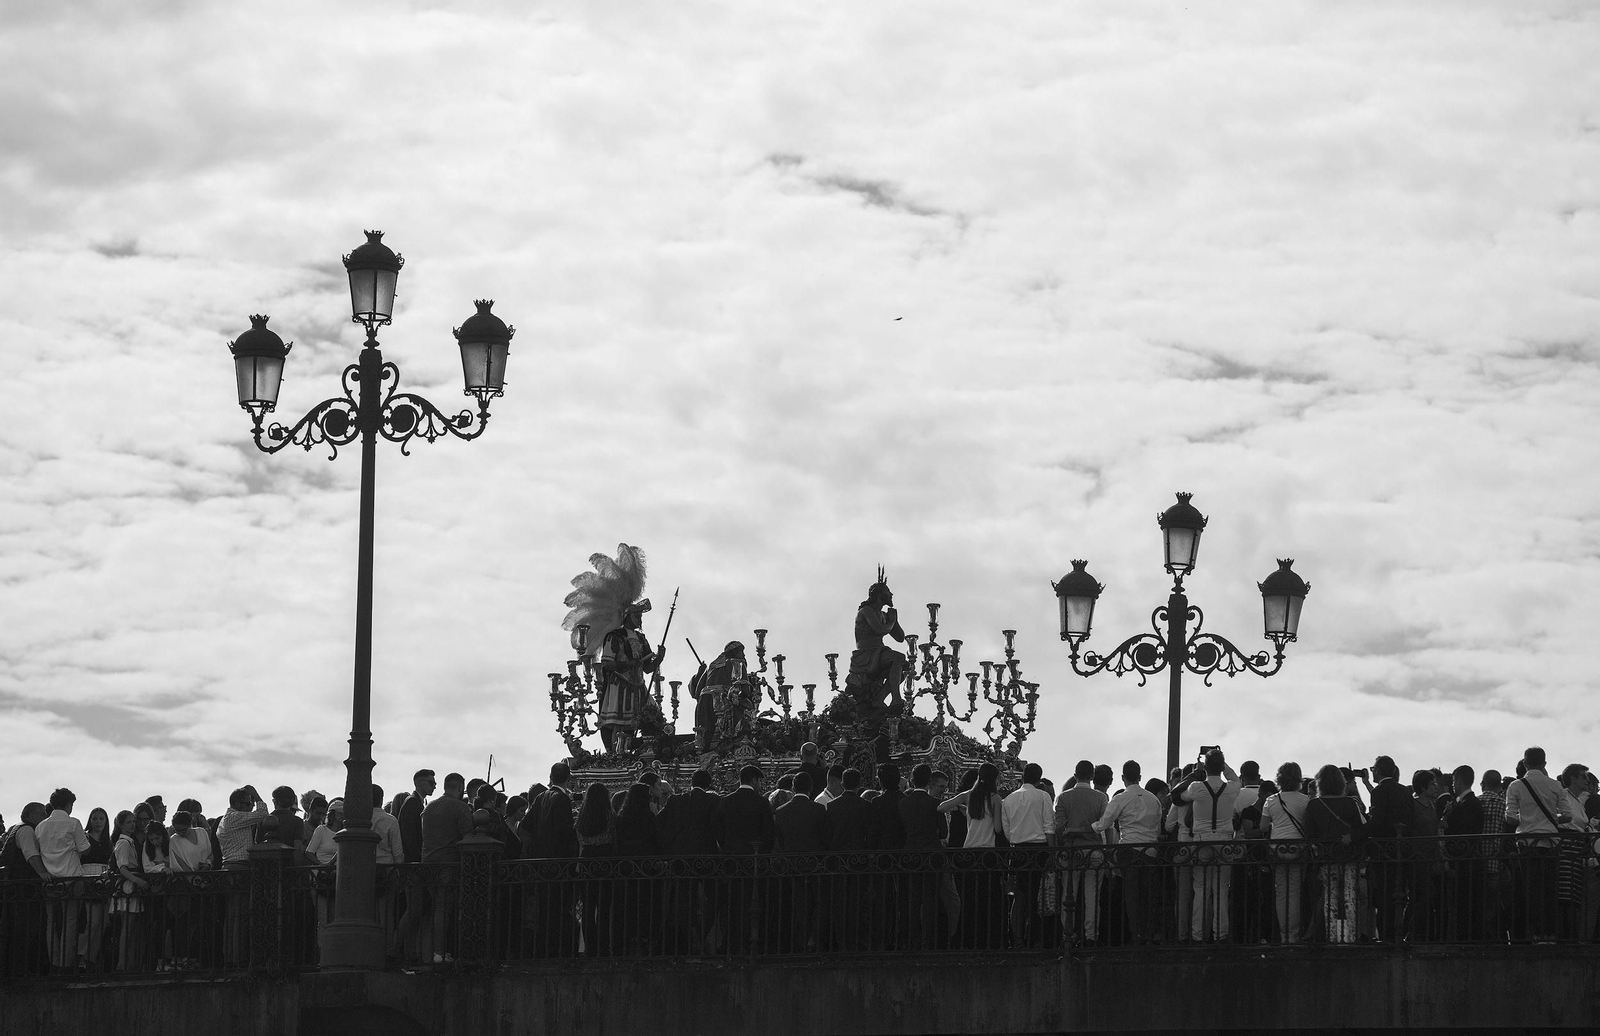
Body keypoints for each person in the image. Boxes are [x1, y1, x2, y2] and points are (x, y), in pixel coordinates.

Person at [1504, 746, 1574, 943]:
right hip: (1551, 842)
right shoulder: (1555, 785)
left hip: (1527, 843)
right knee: (1550, 890)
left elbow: (1510, 819)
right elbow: (1567, 816)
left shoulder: (1516, 786)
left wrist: (1526, 818)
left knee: (1531, 891)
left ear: (1525, 763)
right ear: (1544, 763)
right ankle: (1551, 933)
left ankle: (1535, 934)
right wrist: (1551, 818)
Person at [1093, 761, 1161, 944]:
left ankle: (1135, 934)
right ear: (1140, 776)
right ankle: (1148, 934)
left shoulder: (1121, 798)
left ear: (1123, 778)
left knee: (1131, 896)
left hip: (1129, 849)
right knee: (1147, 895)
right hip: (1150, 850)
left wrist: (1090, 826)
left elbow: (1104, 824)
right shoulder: (1153, 799)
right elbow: (1158, 826)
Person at [1178, 750, 1241, 945]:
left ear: (1205, 767)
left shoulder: (1197, 787)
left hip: (1201, 840)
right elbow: (1235, 778)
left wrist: (1195, 772)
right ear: (1222, 767)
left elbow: (1179, 795)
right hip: (1224, 841)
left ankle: (1198, 936)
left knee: (1200, 890)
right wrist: (1225, 765)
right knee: (1221, 890)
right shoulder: (1231, 788)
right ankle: (1220, 934)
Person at [845, 570, 907, 762]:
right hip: (866, 653)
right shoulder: (866, 611)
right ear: (879, 594)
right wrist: (890, 622)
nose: (892, 595)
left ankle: (880, 699)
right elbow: (880, 629)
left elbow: (900, 637)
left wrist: (893, 620)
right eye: (888, 592)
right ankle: (895, 698)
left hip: (878, 651)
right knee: (898, 658)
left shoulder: (882, 613)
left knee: (901, 667)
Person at [1304, 765, 1365, 943]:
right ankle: (1350, 936)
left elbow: (1310, 834)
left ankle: (1333, 936)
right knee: (1349, 898)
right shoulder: (1350, 803)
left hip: (1326, 857)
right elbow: (1361, 828)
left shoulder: (1314, 805)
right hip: (1348, 855)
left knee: (1330, 900)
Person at [419, 773, 475, 963]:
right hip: (449, 863)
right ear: (460, 788)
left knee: (437, 907)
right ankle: (440, 953)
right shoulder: (460, 807)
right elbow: (468, 838)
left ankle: (436, 952)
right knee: (444, 908)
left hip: (428, 862)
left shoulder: (429, 808)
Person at [35, 788, 91, 973]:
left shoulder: (40, 826)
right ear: (68, 804)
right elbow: (85, 849)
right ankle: (66, 964)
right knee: (70, 921)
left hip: (49, 879)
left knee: (51, 922)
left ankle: (54, 961)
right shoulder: (73, 823)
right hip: (72, 878)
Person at [598, 599, 665, 754]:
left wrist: (659, 659)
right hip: (620, 685)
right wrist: (628, 665)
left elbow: (648, 668)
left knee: (648, 719)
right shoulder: (614, 636)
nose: (640, 619)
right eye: (637, 616)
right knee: (619, 724)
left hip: (638, 686)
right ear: (628, 616)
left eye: (640, 616)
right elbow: (607, 663)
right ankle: (616, 754)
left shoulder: (642, 638)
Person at [1053, 760, 1104, 947]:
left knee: (1069, 897)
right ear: (1092, 776)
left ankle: (1068, 935)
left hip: (1070, 850)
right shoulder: (1100, 798)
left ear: (1075, 775)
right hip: (1093, 850)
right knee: (1092, 897)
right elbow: (1103, 825)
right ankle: (1091, 937)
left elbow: (1059, 826)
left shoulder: (1063, 797)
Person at [1263, 762, 1311, 943]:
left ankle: (1284, 934)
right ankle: (1295, 934)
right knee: (1295, 891)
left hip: (1277, 849)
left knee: (1281, 892)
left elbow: (1262, 826)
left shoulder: (1271, 800)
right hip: (1298, 848)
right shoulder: (1305, 800)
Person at [2, 803, 50, 976]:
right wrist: (43, 873)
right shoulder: (27, 830)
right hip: (24, 891)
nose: (45, 816)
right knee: (26, 932)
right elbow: (31, 854)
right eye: (42, 813)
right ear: (31, 814)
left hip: (17, 891)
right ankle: (23, 972)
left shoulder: (16, 829)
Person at [575, 782, 618, 957]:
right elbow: (613, 837)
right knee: (604, 906)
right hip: (605, 859)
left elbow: (579, 839)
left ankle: (589, 947)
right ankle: (603, 946)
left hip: (586, 859)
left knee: (587, 905)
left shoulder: (581, 816)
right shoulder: (609, 815)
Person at [110, 810, 150, 972]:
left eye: (133, 821)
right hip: (127, 886)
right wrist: (138, 881)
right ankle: (122, 964)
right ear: (120, 825)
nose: (133, 824)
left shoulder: (129, 842)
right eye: (129, 822)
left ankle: (129, 963)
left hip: (130, 885)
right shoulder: (124, 843)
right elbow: (123, 868)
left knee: (131, 928)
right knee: (127, 927)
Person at [399, 769, 435, 865]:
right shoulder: (412, 802)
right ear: (419, 783)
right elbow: (409, 834)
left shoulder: (415, 801)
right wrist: (416, 859)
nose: (434, 786)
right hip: (413, 861)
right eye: (431, 782)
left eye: (435, 783)